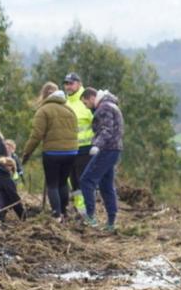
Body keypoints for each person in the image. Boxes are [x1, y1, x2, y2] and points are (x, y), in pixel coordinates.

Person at [20, 82, 78, 221]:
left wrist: (26, 153)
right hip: (71, 152)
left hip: (53, 153)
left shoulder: (44, 110)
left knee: (52, 184)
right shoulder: (69, 109)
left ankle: (56, 215)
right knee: (63, 183)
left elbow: (36, 136)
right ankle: (64, 213)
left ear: (44, 95)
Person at [79, 88, 124, 232]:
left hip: (106, 149)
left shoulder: (103, 108)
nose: (86, 106)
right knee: (106, 185)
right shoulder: (111, 105)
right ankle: (111, 221)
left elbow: (106, 130)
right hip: (114, 149)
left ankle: (90, 217)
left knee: (86, 180)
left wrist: (97, 145)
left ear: (91, 98)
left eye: (85, 103)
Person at [63, 73, 94, 213]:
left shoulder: (86, 100)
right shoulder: (65, 102)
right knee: (73, 181)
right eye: (66, 83)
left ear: (79, 84)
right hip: (69, 149)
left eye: (71, 83)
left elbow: (98, 123)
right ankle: (79, 210)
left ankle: (87, 211)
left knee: (83, 181)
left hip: (85, 149)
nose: (68, 86)